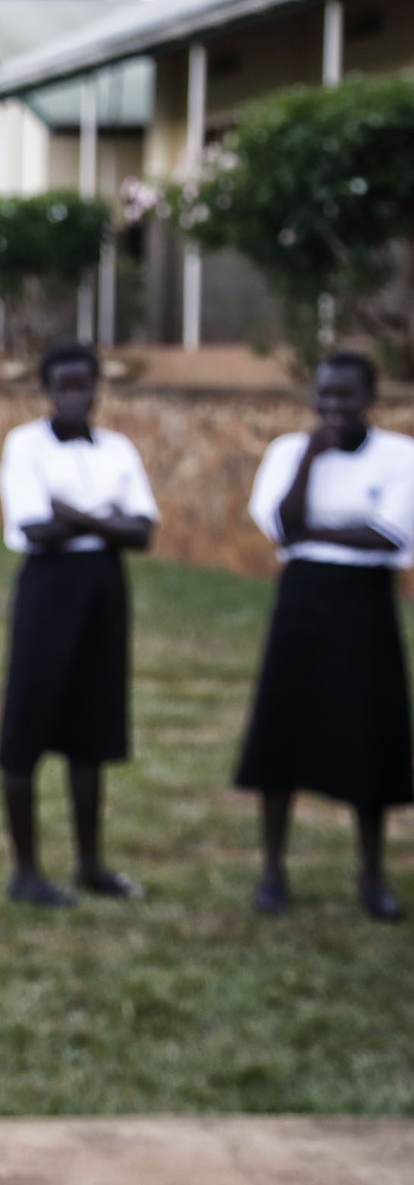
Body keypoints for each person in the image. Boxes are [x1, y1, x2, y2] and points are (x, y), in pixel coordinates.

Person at [239, 350, 414, 921]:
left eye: (347, 395)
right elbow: (284, 528)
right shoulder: (290, 452)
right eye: (325, 396)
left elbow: (389, 537)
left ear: (371, 398)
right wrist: (312, 459)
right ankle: (273, 869)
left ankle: (371, 874)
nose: (334, 407)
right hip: (302, 602)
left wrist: (315, 531)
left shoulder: (400, 456)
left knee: (370, 735)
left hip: (366, 604)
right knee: (282, 733)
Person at [0, 341, 157, 908]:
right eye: (63, 385)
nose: (75, 395)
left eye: (84, 385)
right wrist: (106, 521)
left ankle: (90, 862)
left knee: (93, 724)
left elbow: (142, 533)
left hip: (104, 591)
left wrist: (76, 516)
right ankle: (26, 870)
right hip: (48, 587)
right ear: (47, 389)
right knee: (27, 723)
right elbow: (35, 528)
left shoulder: (118, 449)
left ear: (97, 388)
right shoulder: (25, 445)